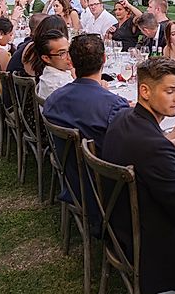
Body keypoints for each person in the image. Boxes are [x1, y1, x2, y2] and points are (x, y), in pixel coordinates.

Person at [100, 57, 175, 294]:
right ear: (144, 91)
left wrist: (168, 148)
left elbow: (148, 154)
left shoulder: (122, 118)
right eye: (170, 91)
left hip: (116, 221)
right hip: (148, 241)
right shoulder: (155, 148)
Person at [44, 33, 130, 221]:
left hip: (73, 180)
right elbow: (129, 152)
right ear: (105, 59)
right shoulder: (113, 107)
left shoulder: (53, 100)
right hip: (107, 192)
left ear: (71, 61)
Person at [29, 30, 74, 100]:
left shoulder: (52, 72)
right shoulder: (60, 84)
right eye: (62, 53)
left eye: (70, 50)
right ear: (46, 58)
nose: (70, 56)